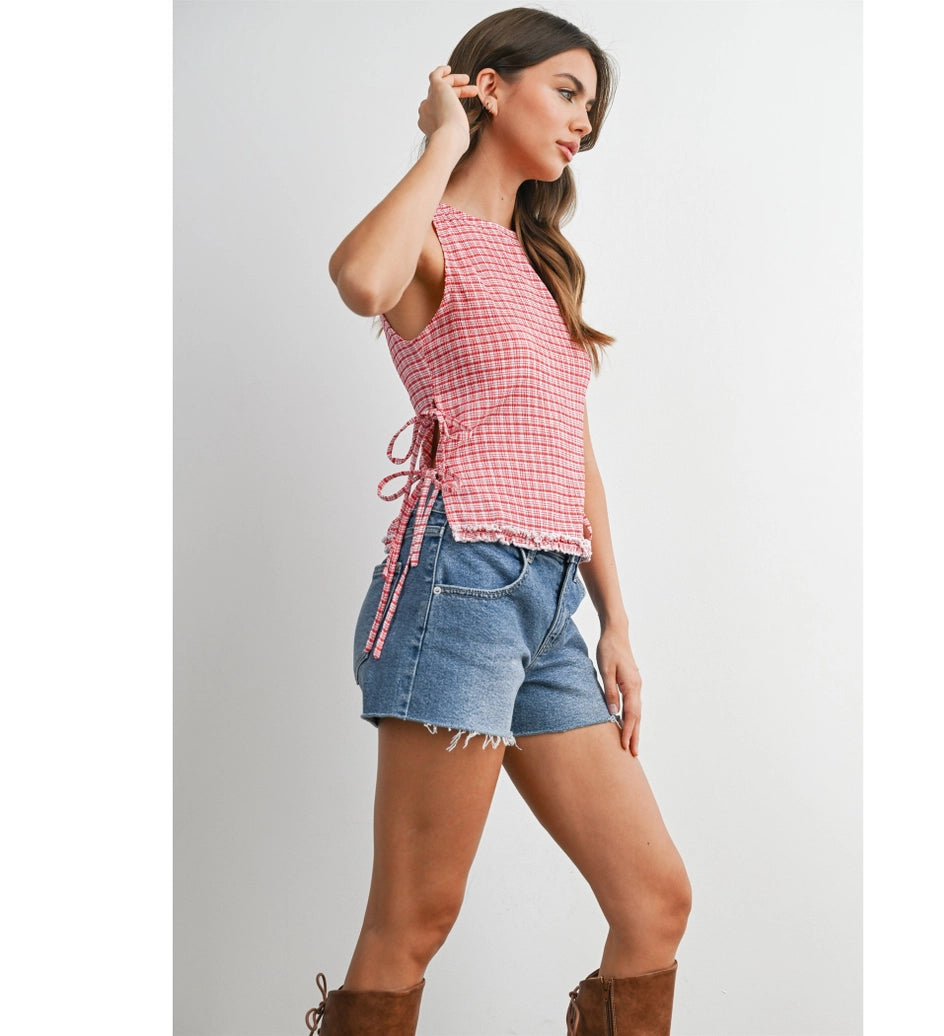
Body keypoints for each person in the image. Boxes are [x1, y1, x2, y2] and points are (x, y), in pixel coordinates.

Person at [309, 7, 691, 1034]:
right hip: (459, 586)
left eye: (590, 107)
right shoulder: (429, 239)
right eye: (566, 92)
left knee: (655, 900)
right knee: (414, 920)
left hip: (551, 607)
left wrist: (615, 619)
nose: (583, 122)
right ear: (489, 84)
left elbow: (573, 450)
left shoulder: (539, 264)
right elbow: (360, 282)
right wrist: (442, 138)